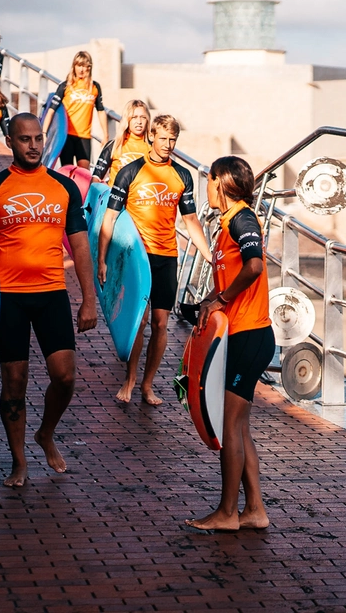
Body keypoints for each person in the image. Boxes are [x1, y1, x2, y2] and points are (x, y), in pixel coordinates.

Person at [0, 113, 97, 487]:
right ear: (10, 142)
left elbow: (80, 245)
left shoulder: (64, 188)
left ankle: (45, 432)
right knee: (14, 384)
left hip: (51, 293)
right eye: (25, 139)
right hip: (9, 299)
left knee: (65, 378)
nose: (33, 145)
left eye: (38, 139)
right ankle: (19, 461)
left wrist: (88, 299)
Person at [185, 156, 275, 532]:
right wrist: (211, 298)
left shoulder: (242, 218)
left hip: (250, 334)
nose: (206, 186)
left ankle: (227, 513)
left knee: (227, 426)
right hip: (241, 333)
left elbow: (254, 266)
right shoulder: (225, 225)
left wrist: (221, 301)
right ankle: (254, 510)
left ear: (220, 181)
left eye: (208, 179)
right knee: (239, 428)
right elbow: (233, 277)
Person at [97, 114, 213, 405]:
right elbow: (109, 218)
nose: (168, 144)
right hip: (138, 256)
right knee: (140, 320)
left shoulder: (182, 176)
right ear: (151, 137)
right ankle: (131, 378)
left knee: (161, 323)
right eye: (163, 138)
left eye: (173, 139)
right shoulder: (130, 172)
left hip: (166, 256)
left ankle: (147, 385)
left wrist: (208, 254)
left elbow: (190, 221)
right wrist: (102, 259)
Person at [42, 51, 108, 170]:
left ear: (89, 67)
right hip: (66, 135)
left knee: (84, 171)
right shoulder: (65, 86)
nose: (81, 69)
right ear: (74, 66)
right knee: (67, 170)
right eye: (78, 65)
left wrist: (106, 135)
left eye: (84, 66)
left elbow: (100, 110)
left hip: (84, 136)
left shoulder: (94, 87)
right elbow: (51, 110)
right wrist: (44, 132)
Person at [92, 99, 151, 187]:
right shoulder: (114, 145)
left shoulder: (152, 148)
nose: (139, 122)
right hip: (115, 198)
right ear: (127, 119)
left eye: (143, 117)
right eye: (134, 117)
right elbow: (95, 179)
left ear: (147, 120)